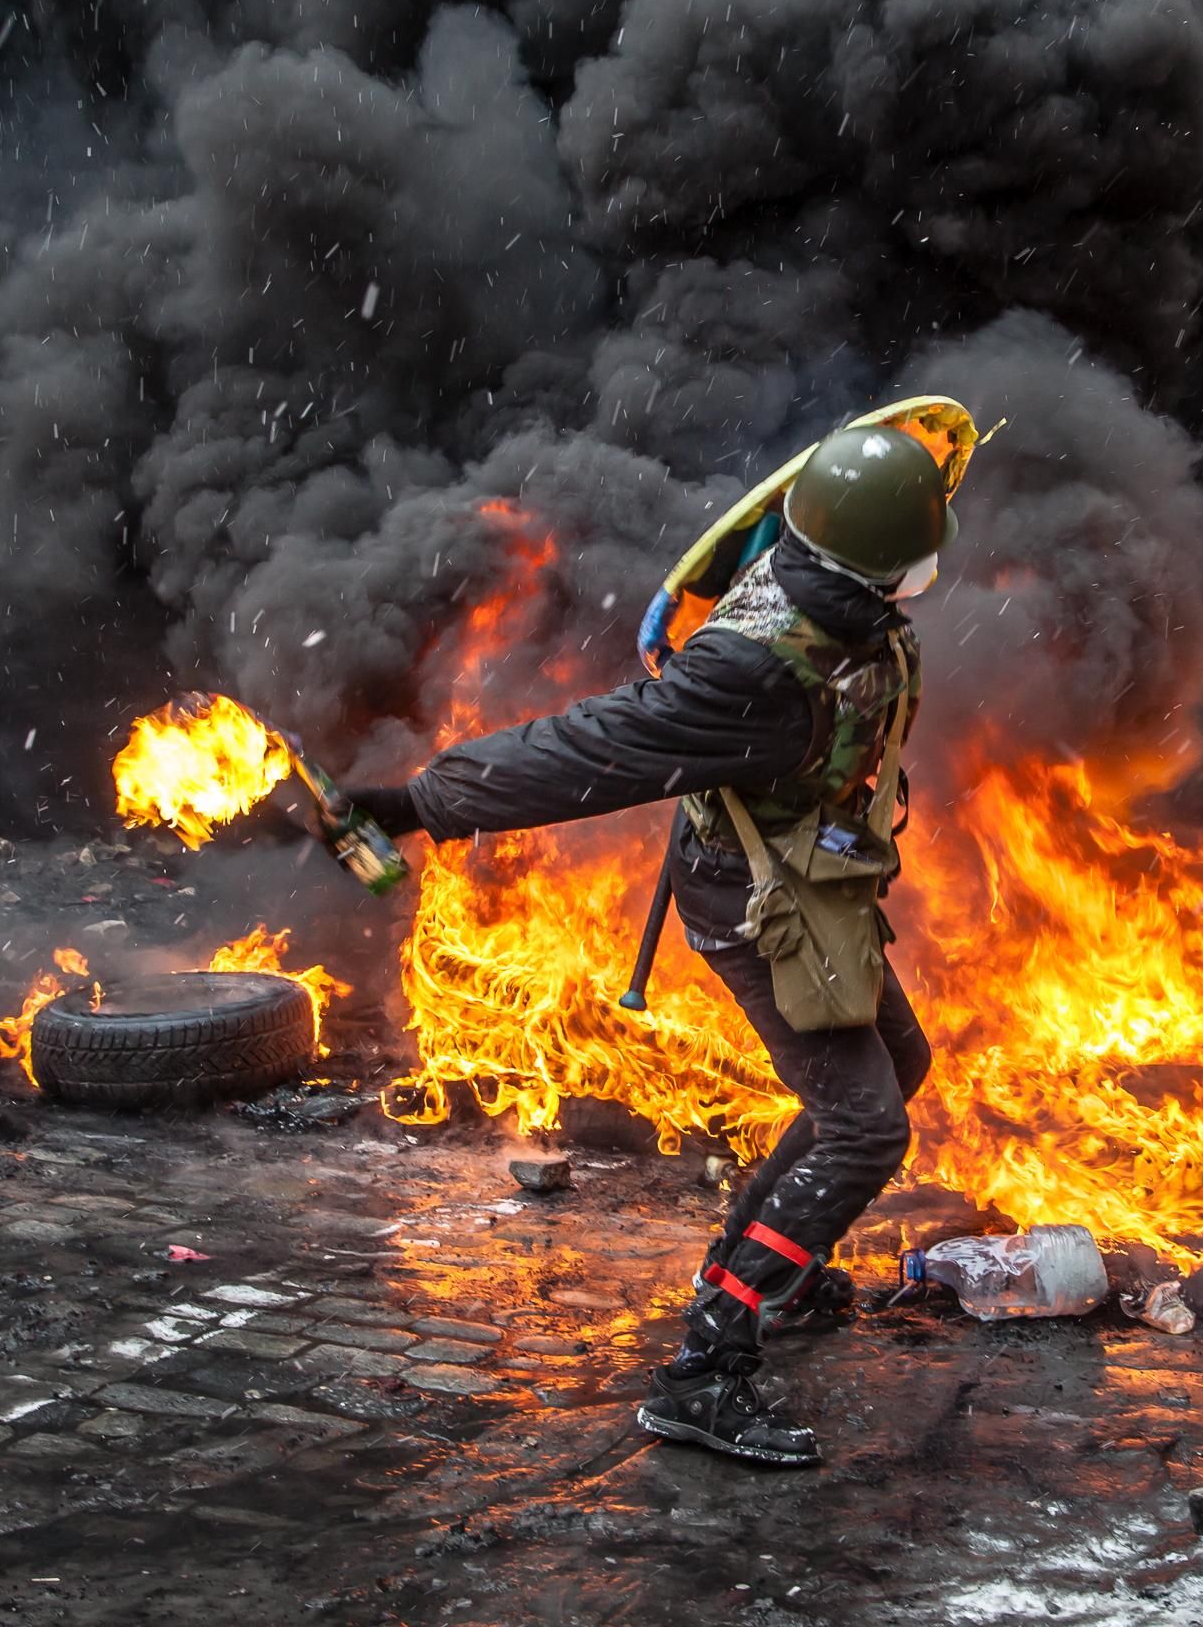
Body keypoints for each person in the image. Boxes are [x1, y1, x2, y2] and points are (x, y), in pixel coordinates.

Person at [328, 418, 961, 1466]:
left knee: (897, 1065)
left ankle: (772, 1271)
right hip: (758, 898)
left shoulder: (828, 579)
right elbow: (591, 749)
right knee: (864, 1126)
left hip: (818, 879)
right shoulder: (752, 669)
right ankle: (706, 1366)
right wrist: (416, 801)